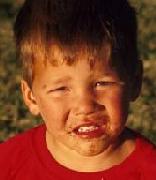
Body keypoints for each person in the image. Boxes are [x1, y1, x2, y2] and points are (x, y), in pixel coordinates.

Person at [0, 0, 156, 179]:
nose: (85, 106)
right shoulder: (9, 163)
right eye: (61, 89)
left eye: (102, 84)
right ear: (31, 97)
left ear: (135, 81)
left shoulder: (148, 170)